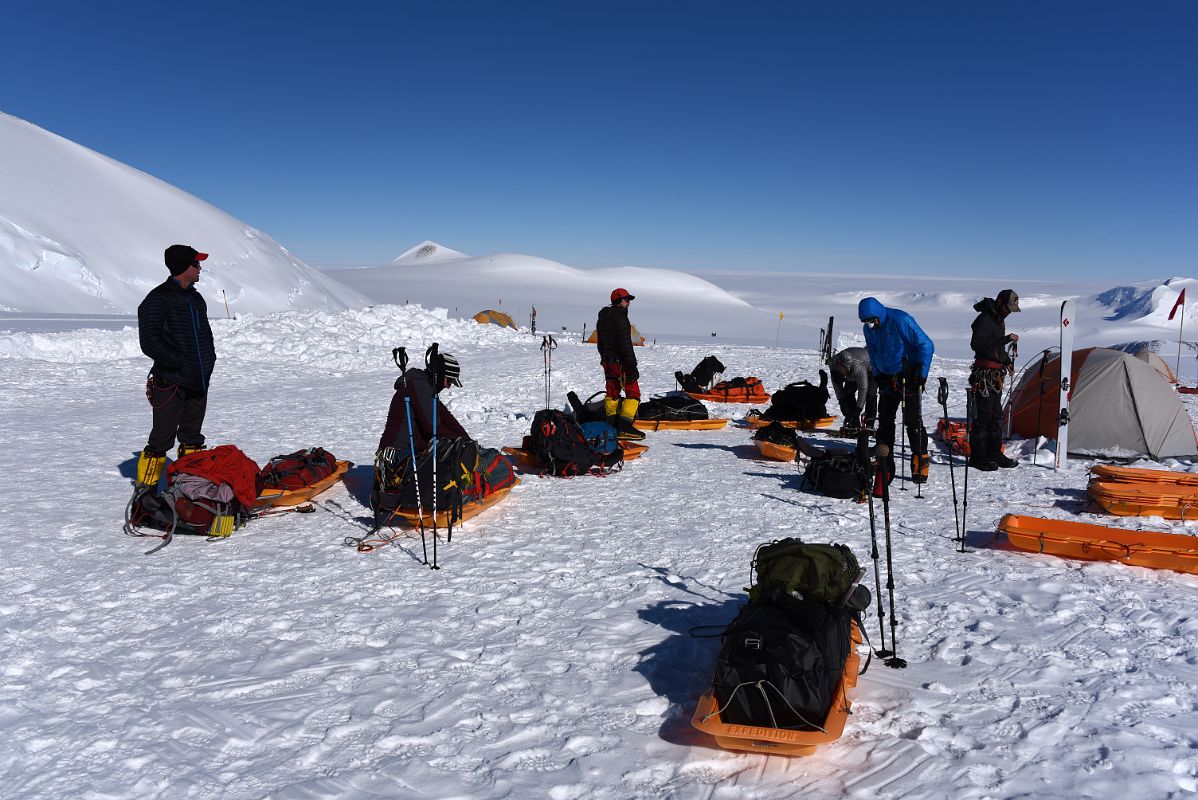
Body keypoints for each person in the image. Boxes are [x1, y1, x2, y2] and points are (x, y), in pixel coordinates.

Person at [134, 244, 217, 489]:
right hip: (170, 381)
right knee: (161, 439)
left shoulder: (195, 297)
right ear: (184, 267)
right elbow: (149, 342)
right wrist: (179, 363)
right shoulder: (158, 299)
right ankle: (145, 492)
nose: (200, 268)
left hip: (198, 379)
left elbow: (205, 336)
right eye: (196, 263)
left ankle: (188, 485)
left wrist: (207, 360)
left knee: (192, 436)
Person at [858, 297, 935, 484]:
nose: (870, 324)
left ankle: (920, 464)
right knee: (885, 422)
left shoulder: (900, 319)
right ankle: (885, 463)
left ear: (879, 314)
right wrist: (877, 375)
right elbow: (874, 352)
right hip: (886, 378)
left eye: (872, 320)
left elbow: (926, 344)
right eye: (866, 322)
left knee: (912, 421)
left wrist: (921, 374)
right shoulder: (868, 329)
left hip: (908, 377)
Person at [968, 289, 1021, 470]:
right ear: (999, 302)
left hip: (994, 374)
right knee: (983, 416)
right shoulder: (984, 319)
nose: (1008, 312)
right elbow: (977, 344)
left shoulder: (998, 320)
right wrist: (1005, 339)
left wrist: (1006, 361)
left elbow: (996, 349)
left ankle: (993, 453)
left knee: (995, 416)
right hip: (984, 374)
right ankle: (978, 456)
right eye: (1007, 308)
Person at [377, 351, 469, 453]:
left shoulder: (426, 388)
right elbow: (433, 426)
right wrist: (461, 441)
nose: (448, 387)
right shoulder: (419, 385)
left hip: (411, 452)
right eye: (449, 381)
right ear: (440, 375)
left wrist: (467, 441)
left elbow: (445, 417)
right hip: (398, 454)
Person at [595, 287, 645, 440]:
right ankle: (624, 427)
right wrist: (632, 365)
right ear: (618, 300)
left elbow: (600, 343)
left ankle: (612, 426)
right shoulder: (621, 318)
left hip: (608, 362)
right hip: (621, 363)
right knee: (633, 393)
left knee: (612, 394)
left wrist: (605, 358)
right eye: (626, 299)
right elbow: (625, 345)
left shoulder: (602, 317)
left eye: (629, 299)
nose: (629, 302)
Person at [828, 346, 877, 432]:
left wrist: (858, 409)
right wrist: (841, 400)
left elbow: (863, 389)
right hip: (851, 370)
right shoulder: (833, 364)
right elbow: (837, 384)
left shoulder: (857, 367)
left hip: (873, 367)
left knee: (870, 394)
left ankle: (869, 424)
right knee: (847, 392)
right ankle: (853, 421)